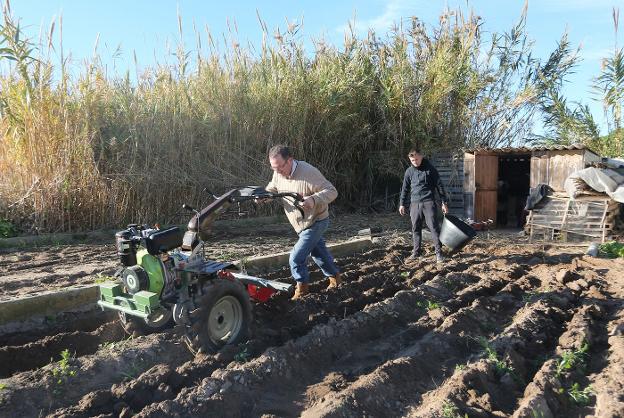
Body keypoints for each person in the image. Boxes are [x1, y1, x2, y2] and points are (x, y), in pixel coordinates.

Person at [264, 144, 341, 300]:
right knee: (319, 254)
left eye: (279, 167)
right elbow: (273, 187)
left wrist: (314, 199)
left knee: (296, 257)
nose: (277, 171)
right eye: (273, 168)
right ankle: (336, 279)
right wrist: (264, 195)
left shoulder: (308, 172)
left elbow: (332, 191)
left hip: (316, 220)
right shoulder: (278, 172)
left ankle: (302, 291)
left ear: (290, 160)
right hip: (301, 224)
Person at [398, 148, 449, 263]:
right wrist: (402, 204)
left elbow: (440, 186)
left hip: (428, 202)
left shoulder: (431, 169)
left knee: (434, 228)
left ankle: (439, 254)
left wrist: (443, 202)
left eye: (416, 159)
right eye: (412, 160)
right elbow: (405, 189)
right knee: (416, 228)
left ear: (421, 156)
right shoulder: (409, 172)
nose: (415, 162)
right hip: (414, 204)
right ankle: (416, 253)